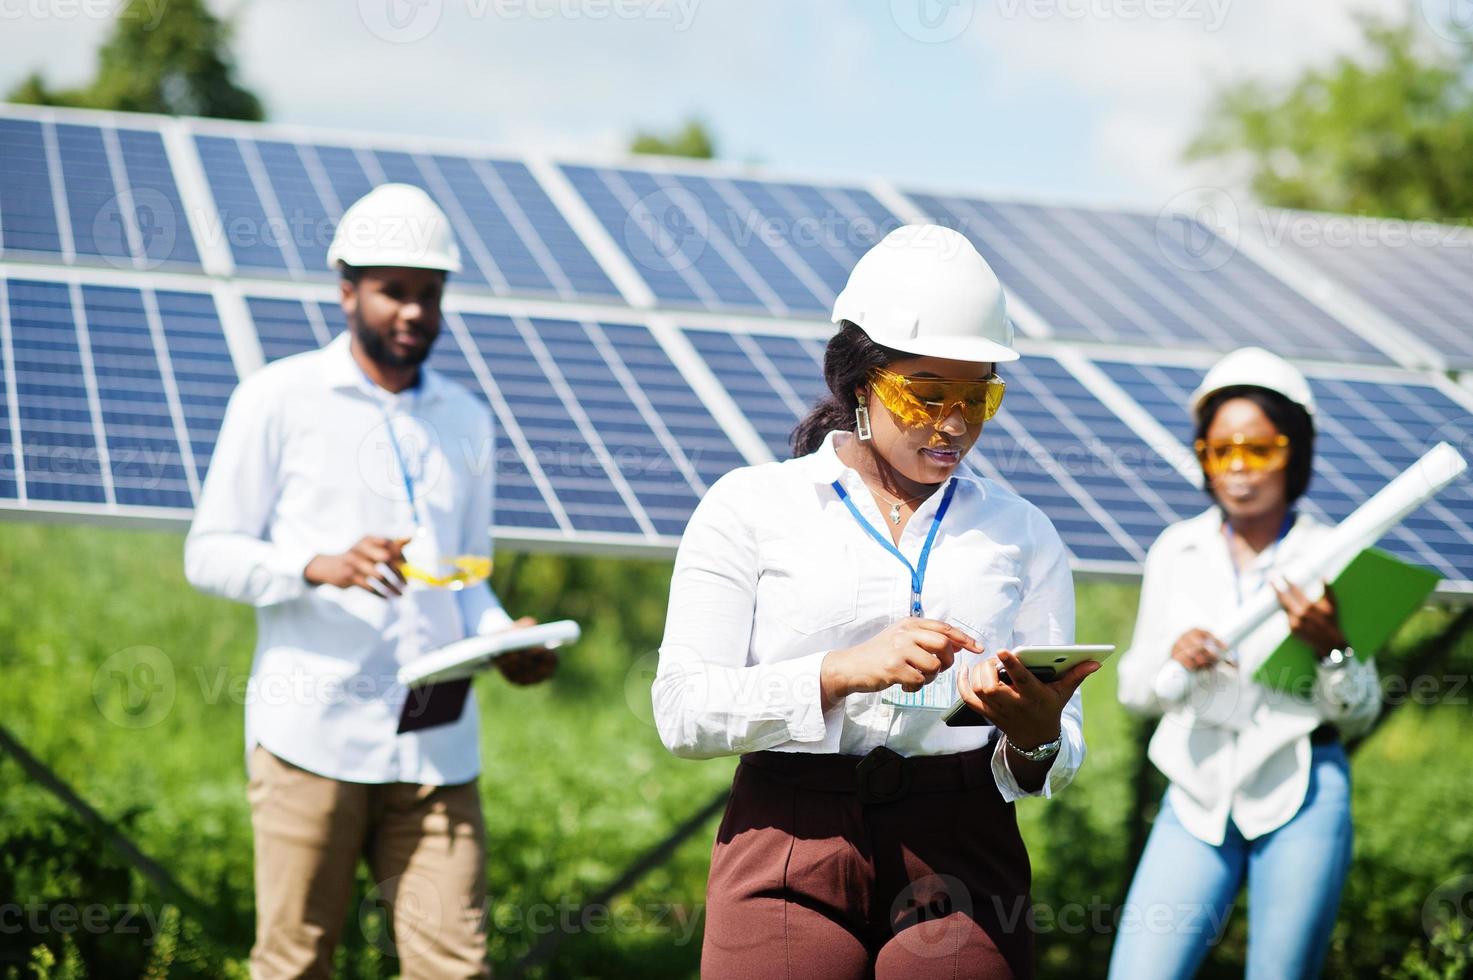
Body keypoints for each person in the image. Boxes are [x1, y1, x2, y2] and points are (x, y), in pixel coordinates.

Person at [653, 224, 1099, 979]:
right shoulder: (750, 507)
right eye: (924, 395)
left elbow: (1057, 752)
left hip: (963, 840)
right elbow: (683, 712)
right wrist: (838, 671)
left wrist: (1035, 739)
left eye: (977, 395)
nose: (953, 424)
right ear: (859, 383)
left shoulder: (1022, 534)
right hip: (790, 830)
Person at [185, 183, 556, 979]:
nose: (413, 311)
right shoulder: (277, 399)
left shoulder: (466, 418)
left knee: (455, 968)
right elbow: (208, 552)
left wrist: (503, 639)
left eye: (429, 294)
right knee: (294, 964)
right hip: (311, 738)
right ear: (346, 289)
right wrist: (312, 566)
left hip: (436, 746)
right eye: (393, 291)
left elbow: (468, 579)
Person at [1109, 347, 1381, 980]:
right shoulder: (1177, 551)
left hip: (1302, 789)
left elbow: (1361, 711)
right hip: (1195, 787)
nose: (1237, 469)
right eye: (1218, 450)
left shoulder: (1334, 555)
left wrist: (1331, 646)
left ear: (1296, 452)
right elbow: (1133, 691)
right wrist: (1173, 661)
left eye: (1259, 450)